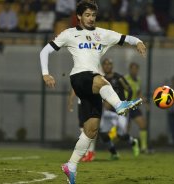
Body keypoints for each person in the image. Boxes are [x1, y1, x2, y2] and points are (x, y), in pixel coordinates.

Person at [39, 1, 146, 183]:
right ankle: (120, 105)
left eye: (93, 15)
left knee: (91, 130)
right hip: (79, 77)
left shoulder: (102, 34)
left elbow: (126, 38)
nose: (91, 18)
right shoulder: (69, 34)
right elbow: (45, 51)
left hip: (93, 84)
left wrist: (139, 42)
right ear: (79, 16)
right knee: (100, 79)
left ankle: (71, 166)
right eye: (87, 15)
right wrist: (45, 73)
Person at [99, 58, 140, 160]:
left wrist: (125, 104)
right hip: (108, 111)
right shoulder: (101, 79)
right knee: (103, 133)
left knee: (121, 135)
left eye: (109, 64)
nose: (107, 66)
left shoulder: (118, 78)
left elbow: (129, 90)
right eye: (105, 64)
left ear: (112, 66)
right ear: (102, 66)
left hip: (120, 110)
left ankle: (133, 142)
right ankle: (114, 153)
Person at [125, 62, 148, 153]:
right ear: (130, 69)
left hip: (134, 106)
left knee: (143, 124)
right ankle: (110, 145)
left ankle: (143, 147)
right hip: (126, 106)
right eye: (132, 69)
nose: (134, 71)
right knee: (124, 131)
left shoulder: (138, 79)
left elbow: (139, 92)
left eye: (136, 69)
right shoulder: (126, 79)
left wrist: (145, 102)